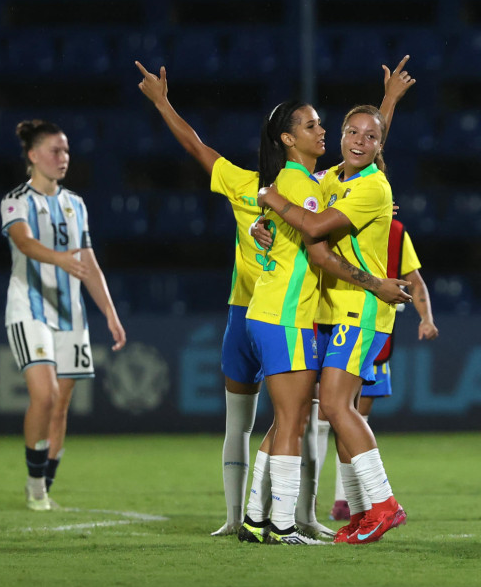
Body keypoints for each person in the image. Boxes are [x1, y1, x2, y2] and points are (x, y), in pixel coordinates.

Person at [135, 58, 414, 541]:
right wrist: (374, 282)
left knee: (279, 420)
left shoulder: (293, 183)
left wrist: (267, 204)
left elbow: (199, 150)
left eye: (339, 127)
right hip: (294, 314)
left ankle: (255, 516)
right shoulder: (306, 187)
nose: (332, 133)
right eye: (317, 125)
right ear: (288, 138)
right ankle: (304, 519)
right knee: (306, 416)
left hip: (257, 311)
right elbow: (316, 239)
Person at [258, 104, 407, 544]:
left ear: (381, 147)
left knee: (339, 408)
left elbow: (316, 225)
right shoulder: (331, 179)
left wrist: (272, 199)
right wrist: (258, 225)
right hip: (332, 310)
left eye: (371, 137)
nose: (360, 141)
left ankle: (384, 505)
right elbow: (302, 211)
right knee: (336, 411)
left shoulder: (373, 187)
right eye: (352, 132)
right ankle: (364, 512)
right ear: (341, 136)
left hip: (359, 309)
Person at [1, 119, 127, 511]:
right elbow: (23, 241)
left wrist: (109, 312)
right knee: (45, 394)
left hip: (71, 314)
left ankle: (43, 487)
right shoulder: (15, 200)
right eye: (55, 150)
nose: (63, 157)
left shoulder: (75, 204)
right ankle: (35, 482)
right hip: (29, 310)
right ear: (33, 155)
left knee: (61, 405)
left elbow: (88, 261)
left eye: (67, 150)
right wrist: (60, 259)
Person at [320, 218, 439, 521]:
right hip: (331, 320)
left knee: (348, 414)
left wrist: (426, 317)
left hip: (369, 325)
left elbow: (414, 278)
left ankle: (347, 500)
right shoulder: (333, 217)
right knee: (326, 416)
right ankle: (323, 504)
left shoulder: (395, 231)